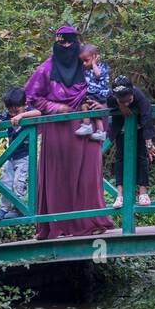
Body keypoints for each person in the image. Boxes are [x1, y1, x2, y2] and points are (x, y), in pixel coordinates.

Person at [23, 25, 112, 239]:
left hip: (88, 129)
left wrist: (101, 105)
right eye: (61, 42)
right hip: (59, 130)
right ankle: (57, 226)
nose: (65, 47)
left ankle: (92, 222)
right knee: (59, 178)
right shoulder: (46, 69)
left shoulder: (87, 65)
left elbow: (105, 89)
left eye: (70, 42)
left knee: (89, 177)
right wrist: (57, 107)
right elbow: (32, 97)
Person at [0, 87, 41, 221]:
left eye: (16, 110)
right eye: (10, 110)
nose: (12, 113)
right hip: (11, 156)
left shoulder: (28, 111)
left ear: (24, 105)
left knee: (19, 181)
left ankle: (19, 208)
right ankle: (3, 209)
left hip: (25, 156)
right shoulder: (7, 115)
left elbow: (39, 112)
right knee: (6, 182)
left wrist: (21, 115)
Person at [105, 75, 155, 209]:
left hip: (139, 130)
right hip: (121, 130)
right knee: (120, 159)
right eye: (122, 100)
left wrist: (149, 144)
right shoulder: (111, 97)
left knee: (142, 157)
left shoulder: (139, 95)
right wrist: (120, 105)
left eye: (128, 100)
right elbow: (105, 103)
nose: (126, 103)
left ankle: (143, 191)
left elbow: (147, 116)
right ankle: (120, 194)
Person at [77, 43, 110, 142]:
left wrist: (94, 63)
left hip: (98, 94)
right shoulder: (86, 69)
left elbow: (99, 75)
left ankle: (87, 125)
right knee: (95, 114)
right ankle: (101, 132)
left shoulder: (101, 67)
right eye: (82, 61)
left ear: (95, 57)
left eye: (86, 61)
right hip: (92, 94)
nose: (84, 63)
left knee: (85, 106)